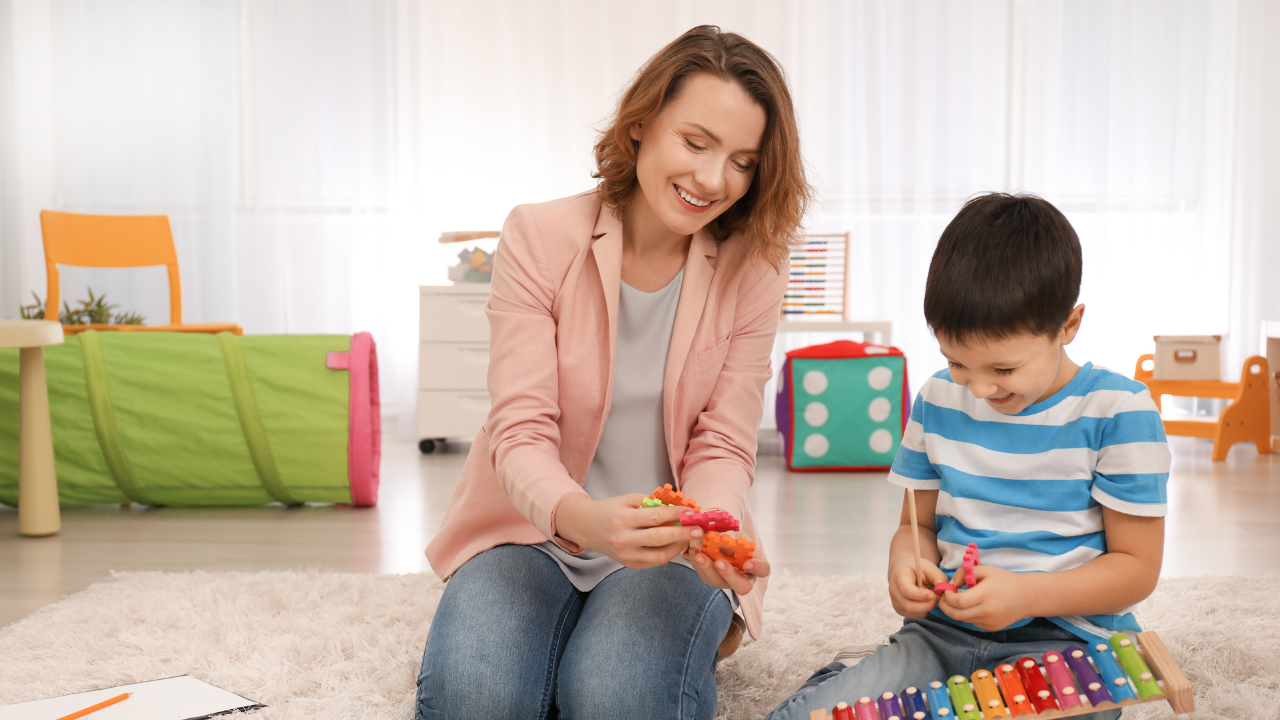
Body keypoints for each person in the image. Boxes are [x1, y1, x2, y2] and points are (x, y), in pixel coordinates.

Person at [416, 25, 812, 720]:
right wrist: (585, 520)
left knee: (615, 699)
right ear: (640, 128)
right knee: (476, 701)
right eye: (696, 143)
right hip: (530, 529)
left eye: (743, 161)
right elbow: (521, 430)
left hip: (670, 547)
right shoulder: (540, 237)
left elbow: (722, 443)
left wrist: (710, 530)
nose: (714, 180)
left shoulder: (755, 268)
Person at [766, 193, 1171, 720]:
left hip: (1067, 642)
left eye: (1003, 370)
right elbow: (917, 527)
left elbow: (1136, 569)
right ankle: (850, 674)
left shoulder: (1120, 411)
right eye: (957, 362)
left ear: (1068, 326)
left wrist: (1025, 596)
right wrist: (907, 563)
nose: (978, 388)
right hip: (941, 634)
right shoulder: (936, 398)